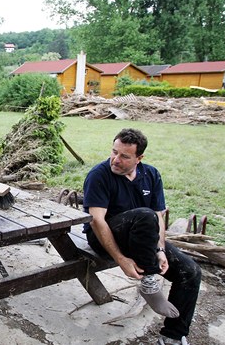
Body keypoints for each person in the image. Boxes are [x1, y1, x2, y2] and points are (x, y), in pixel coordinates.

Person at [82, 128, 201, 345]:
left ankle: (172, 337)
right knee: (144, 215)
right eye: (114, 152)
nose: (115, 160)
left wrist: (160, 250)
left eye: (124, 156)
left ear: (139, 158)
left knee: (190, 271)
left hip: (142, 236)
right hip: (104, 236)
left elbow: (159, 217)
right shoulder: (99, 175)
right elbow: (97, 221)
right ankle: (149, 282)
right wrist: (120, 259)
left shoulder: (151, 175)